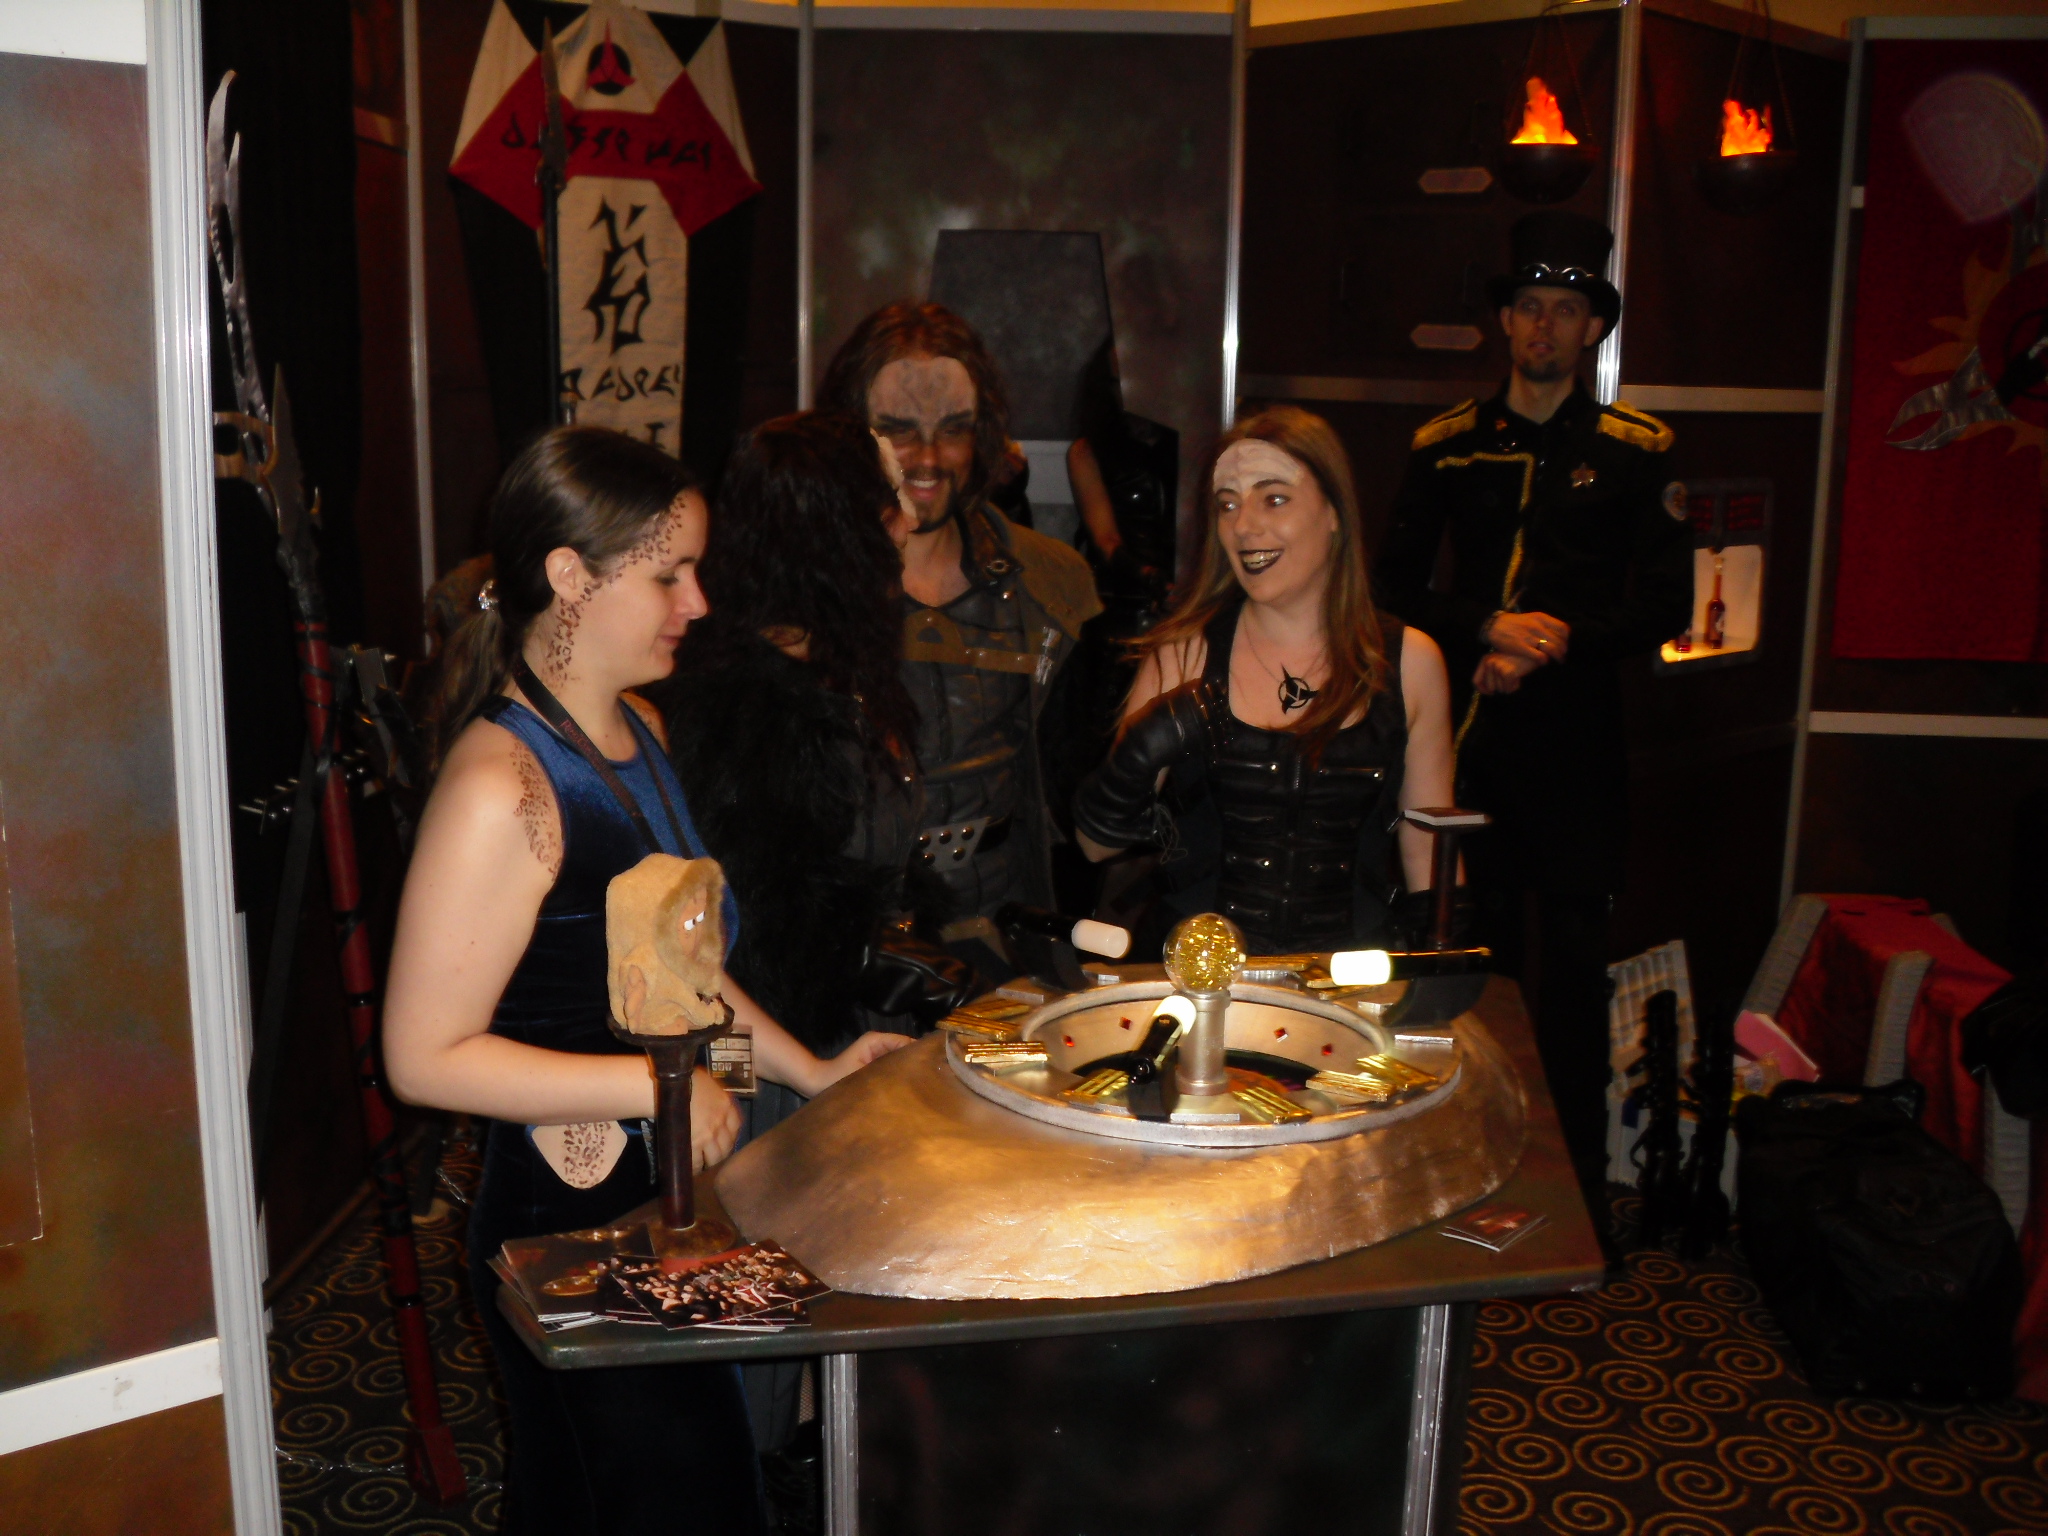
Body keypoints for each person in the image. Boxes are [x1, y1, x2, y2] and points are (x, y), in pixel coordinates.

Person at [382, 426, 906, 1536]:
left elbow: (684, 974)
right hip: (564, 1218)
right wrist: (656, 1087)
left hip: (659, 1197)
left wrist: (811, 1071)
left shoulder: (640, 728)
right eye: (669, 575)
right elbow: (422, 1058)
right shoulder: (504, 786)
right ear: (569, 576)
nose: (699, 603)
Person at [1374, 210, 1692, 1259]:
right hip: (1471, 744)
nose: (1543, 326)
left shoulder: (1635, 451)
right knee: (1482, 970)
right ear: (1504, 323)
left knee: (1576, 976)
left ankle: (1581, 1210)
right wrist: (1483, 627)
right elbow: (1392, 583)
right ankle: (1477, 1176)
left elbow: (1663, 605)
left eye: (1564, 308)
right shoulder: (1447, 445)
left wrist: (1553, 639)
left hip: (1580, 748)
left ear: (1593, 327)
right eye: (1527, 307)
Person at [1071, 406, 1457, 957]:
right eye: (1227, 504)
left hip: (1348, 981)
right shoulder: (1183, 655)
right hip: (1198, 977)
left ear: (1334, 513)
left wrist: (1444, 969)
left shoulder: (1409, 661)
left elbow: (1429, 850)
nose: (1244, 525)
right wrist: (1143, 746)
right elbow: (1093, 846)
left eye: (1274, 499)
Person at [818, 302, 1102, 922]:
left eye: (952, 429)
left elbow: (1077, 787)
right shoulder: (805, 589)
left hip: (1007, 919)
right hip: (851, 924)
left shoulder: (1053, 585)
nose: (926, 458)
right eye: (897, 429)